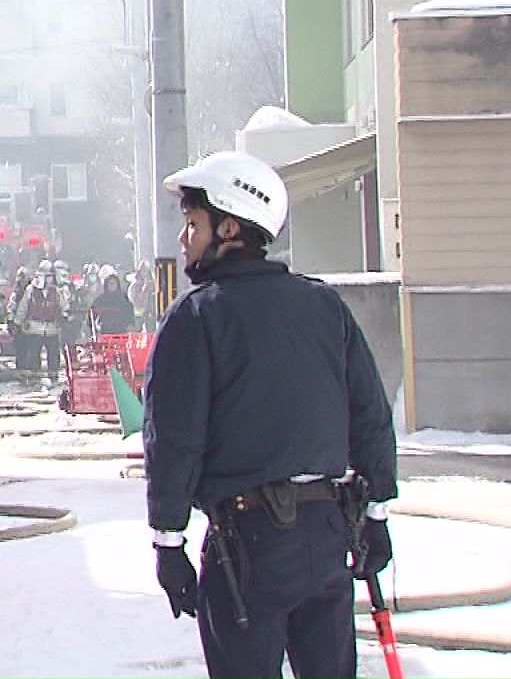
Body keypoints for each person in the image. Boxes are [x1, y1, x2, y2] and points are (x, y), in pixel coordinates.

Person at [143, 151, 398, 679]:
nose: (184, 238)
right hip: (328, 535)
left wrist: (169, 540)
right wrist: (376, 515)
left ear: (230, 227)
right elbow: (370, 417)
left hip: (246, 546)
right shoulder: (325, 307)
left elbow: (174, 440)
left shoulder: (196, 318)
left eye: (193, 223)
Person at [90, 265, 138, 336]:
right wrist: (94, 327)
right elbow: (92, 313)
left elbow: (129, 311)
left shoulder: (123, 298)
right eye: (110, 283)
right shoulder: (101, 299)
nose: (112, 285)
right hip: (106, 331)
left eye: (114, 283)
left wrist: (130, 324)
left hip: (121, 331)